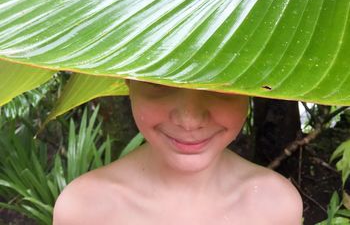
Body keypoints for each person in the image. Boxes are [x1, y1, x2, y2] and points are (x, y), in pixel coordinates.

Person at [53, 80, 303, 225]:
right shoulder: (84, 210)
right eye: (159, 81)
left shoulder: (277, 205)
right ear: (127, 80)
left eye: (223, 83)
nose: (189, 120)